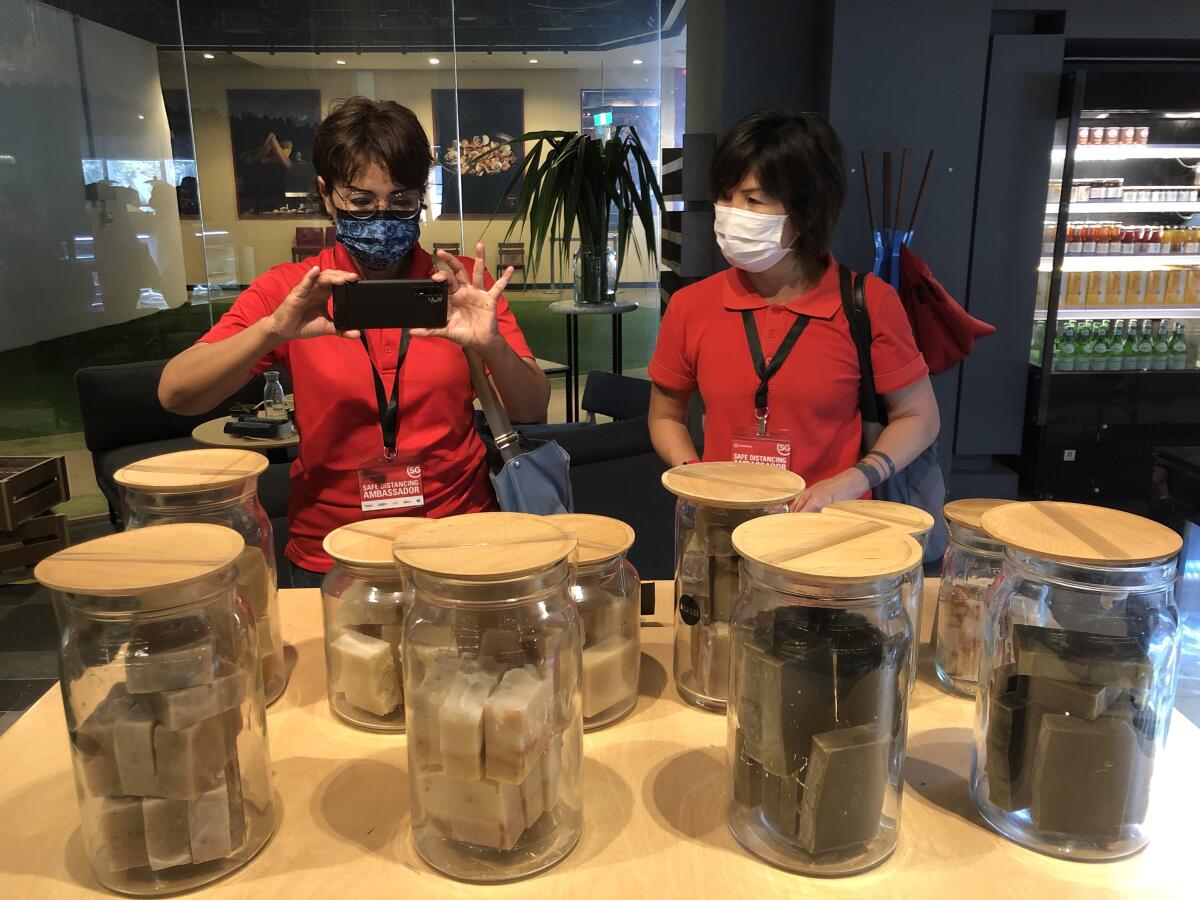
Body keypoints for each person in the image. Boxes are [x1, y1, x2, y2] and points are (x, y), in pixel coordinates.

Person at [159, 97, 550, 587]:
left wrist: (489, 343)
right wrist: (271, 333)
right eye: (361, 202)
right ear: (326, 194)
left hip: (460, 539)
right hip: (334, 551)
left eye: (403, 201)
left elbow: (533, 408)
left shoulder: (461, 285)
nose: (382, 217)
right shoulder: (294, 291)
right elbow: (177, 394)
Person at [647, 109, 939, 511]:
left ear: (808, 213)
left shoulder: (868, 302)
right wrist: (699, 479)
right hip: (724, 526)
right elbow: (664, 416)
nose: (731, 214)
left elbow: (918, 416)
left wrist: (851, 482)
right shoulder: (691, 305)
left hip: (831, 531)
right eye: (725, 196)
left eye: (753, 200)